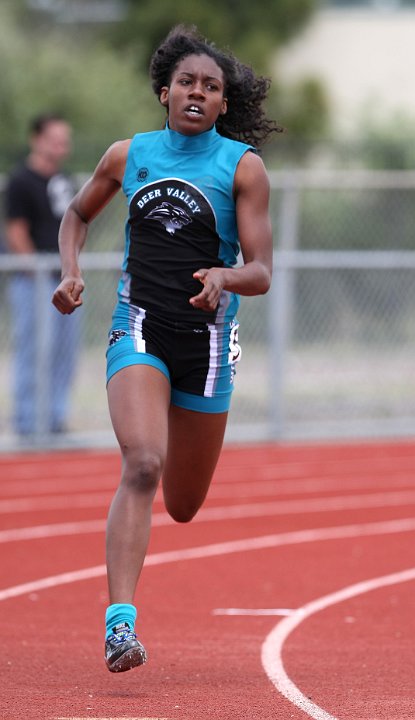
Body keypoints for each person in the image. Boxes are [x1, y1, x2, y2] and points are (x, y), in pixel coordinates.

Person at [52, 25, 278, 673]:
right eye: (186, 83)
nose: (196, 93)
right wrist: (70, 272)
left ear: (222, 104)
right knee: (143, 463)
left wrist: (224, 277)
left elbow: (261, 271)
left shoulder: (242, 167)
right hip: (140, 326)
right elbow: (76, 215)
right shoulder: (129, 155)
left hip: (207, 347)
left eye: (210, 87)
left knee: (182, 504)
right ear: (163, 92)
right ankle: (119, 627)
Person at [5, 113, 79, 437]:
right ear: (36, 140)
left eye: (64, 140)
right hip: (35, 282)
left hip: (64, 280)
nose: (60, 147)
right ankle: (27, 421)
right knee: (34, 351)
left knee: (65, 352)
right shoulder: (21, 180)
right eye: (54, 139)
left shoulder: (64, 182)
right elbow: (16, 231)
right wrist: (35, 273)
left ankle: (54, 419)